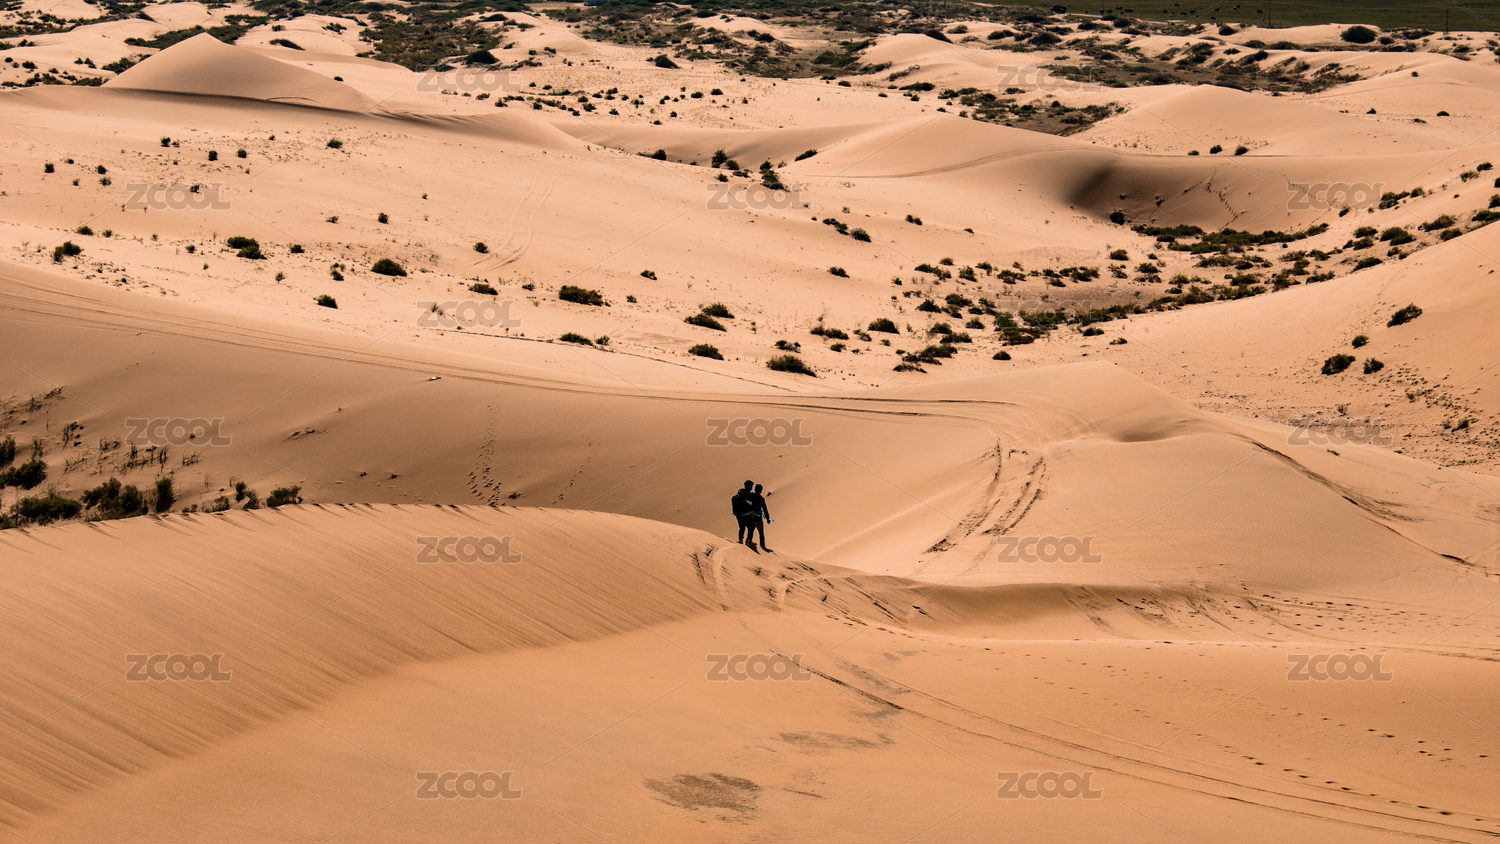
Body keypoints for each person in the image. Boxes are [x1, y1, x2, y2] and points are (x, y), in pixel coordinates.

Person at [731, 480, 758, 545]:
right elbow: (750, 504)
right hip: (746, 514)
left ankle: (740, 540)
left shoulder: (739, 493)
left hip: (739, 515)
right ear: (748, 486)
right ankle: (749, 541)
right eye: (751, 486)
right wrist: (752, 512)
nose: (751, 487)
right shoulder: (747, 494)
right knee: (751, 527)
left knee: (742, 528)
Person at [748, 483, 771, 550]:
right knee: (761, 532)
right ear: (760, 491)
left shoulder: (750, 496)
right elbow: (765, 509)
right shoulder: (761, 498)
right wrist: (768, 518)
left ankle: (748, 542)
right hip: (758, 518)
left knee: (750, 531)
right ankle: (762, 545)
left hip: (750, 517)